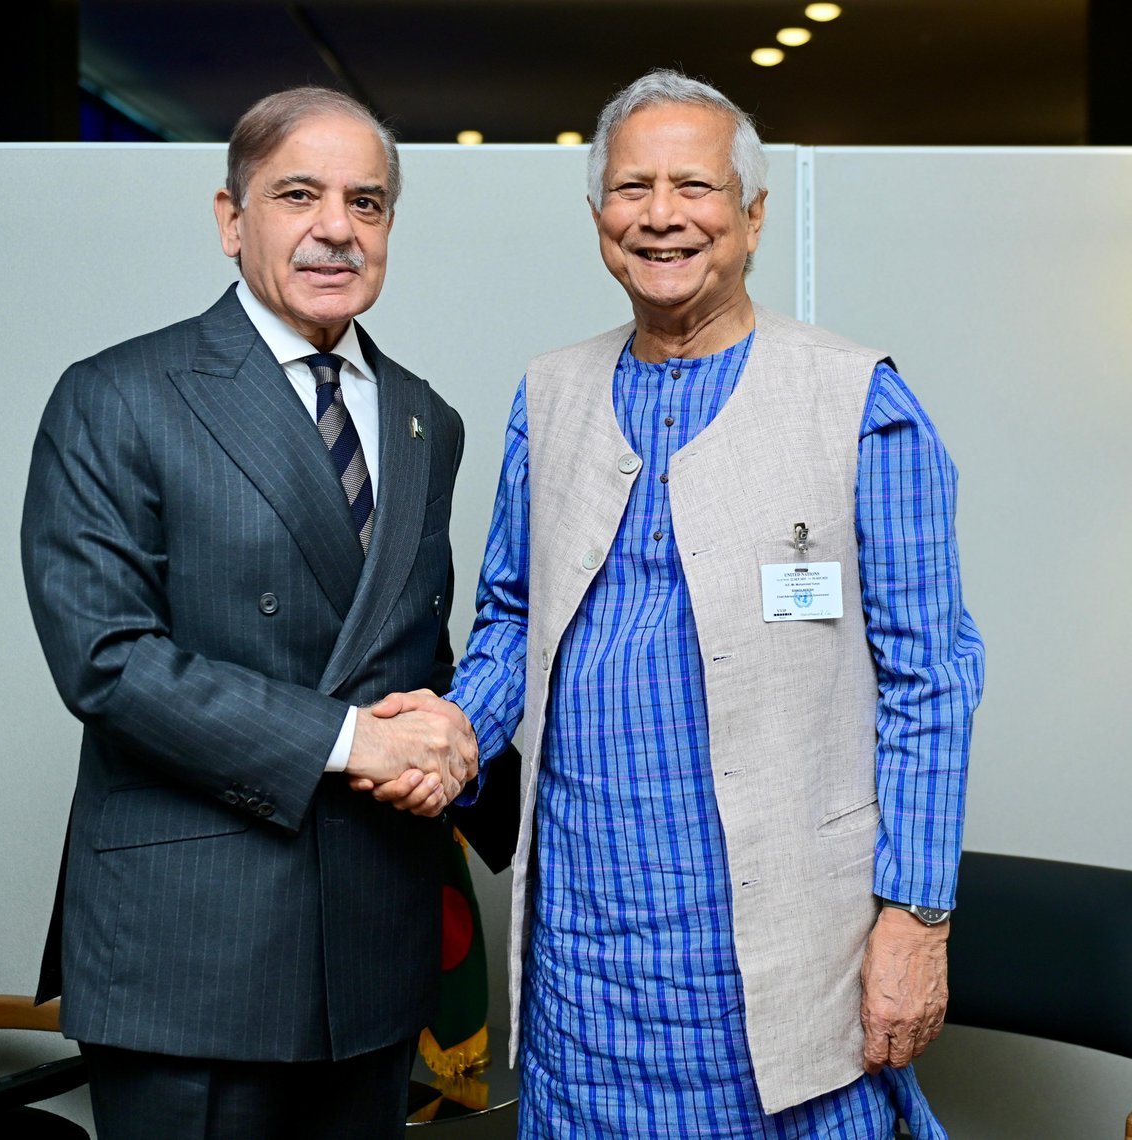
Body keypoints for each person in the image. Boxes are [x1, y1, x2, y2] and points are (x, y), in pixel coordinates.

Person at [364, 69, 984, 1137]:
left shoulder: (857, 401)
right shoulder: (548, 395)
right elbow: (511, 613)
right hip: (589, 946)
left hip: (788, 943)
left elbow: (933, 676)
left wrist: (915, 920)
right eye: (630, 188)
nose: (660, 215)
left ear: (750, 215)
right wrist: (461, 725)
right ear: (600, 215)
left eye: (693, 186)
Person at [20, 86, 476, 1140]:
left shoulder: (423, 419)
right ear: (231, 219)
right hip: (193, 947)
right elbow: (106, 659)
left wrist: (459, 743)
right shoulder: (119, 393)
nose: (335, 228)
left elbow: (411, 648)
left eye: (366, 203)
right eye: (298, 195)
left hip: (373, 940)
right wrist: (361, 741)